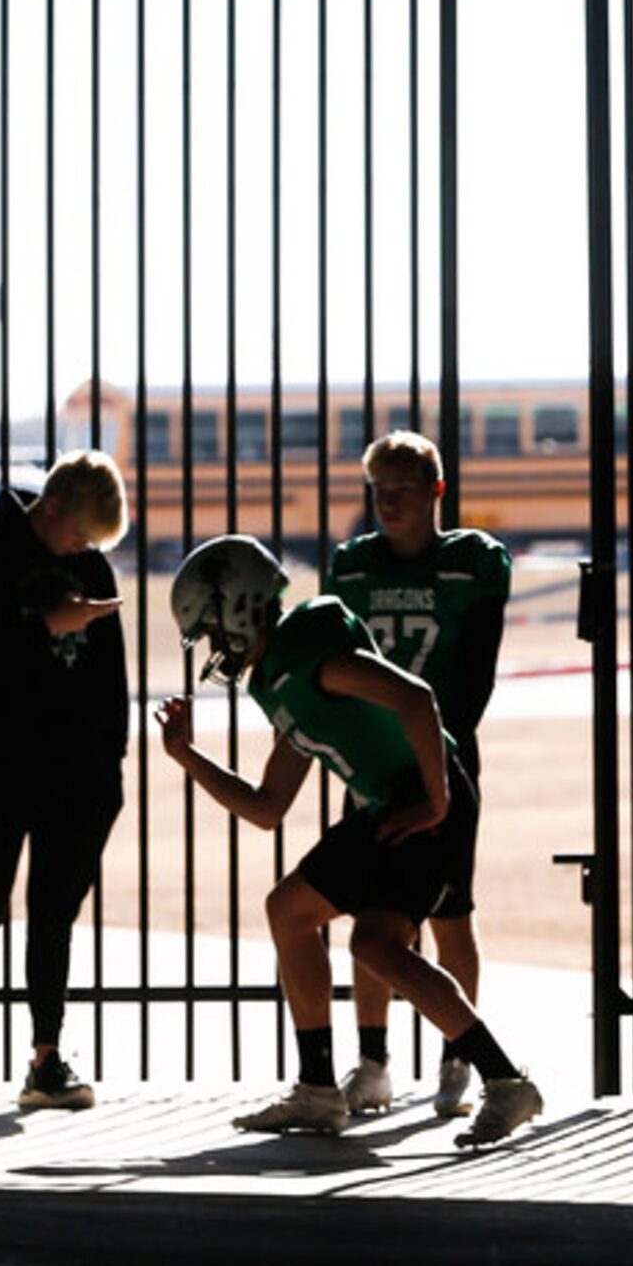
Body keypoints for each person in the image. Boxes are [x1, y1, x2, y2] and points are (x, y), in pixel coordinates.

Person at [154, 534, 543, 1148]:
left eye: (210, 627)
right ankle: (318, 1090)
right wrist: (187, 756)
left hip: (421, 797)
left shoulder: (312, 652)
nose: (212, 644)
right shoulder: (280, 675)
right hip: (390, 804)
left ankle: (502, 1080)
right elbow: (267, 806)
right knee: (299, 914)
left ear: (238, 608)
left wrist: (436, 801)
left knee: (375, 944)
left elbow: (418, 700)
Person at [0, 451, 131, 1117]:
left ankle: (46, 1056)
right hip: (8, 759)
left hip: (81, 771)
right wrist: (43, 628)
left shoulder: (90, 565)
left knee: (54, 917)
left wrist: (112, 764)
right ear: (55, 506)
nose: (82, 549)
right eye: (77, 534)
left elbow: (112, 677)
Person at [323, 430, 512, 1119]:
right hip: (373, 766)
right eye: (379, 491)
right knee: (370, 917)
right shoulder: (354, 567)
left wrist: (437, 755)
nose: (389, 503)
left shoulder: (471, 563)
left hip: (445, 759)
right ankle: (372, 1062)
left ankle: (457, 1053)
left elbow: (477, 677)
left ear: (436, 491)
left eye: (403, 490)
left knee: (450, 914)